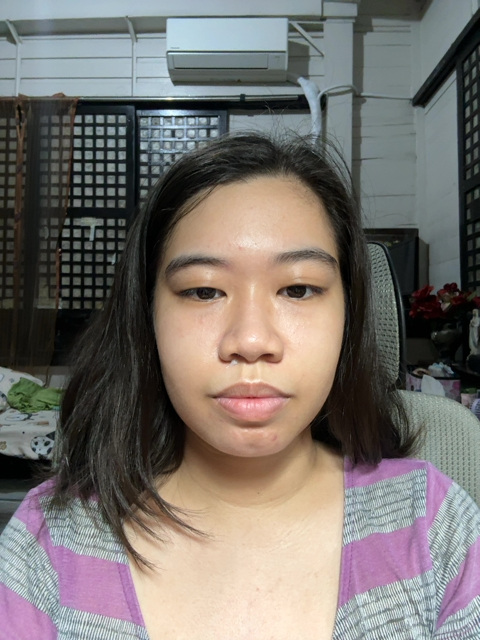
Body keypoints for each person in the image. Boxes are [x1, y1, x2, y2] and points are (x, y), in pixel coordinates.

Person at [0, 133, 479, 639]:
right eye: (203, 291)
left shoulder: (433, 527)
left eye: (298, 289)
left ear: (348, 314)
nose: (251, 341)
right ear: (148, 317)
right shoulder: (48, 542)